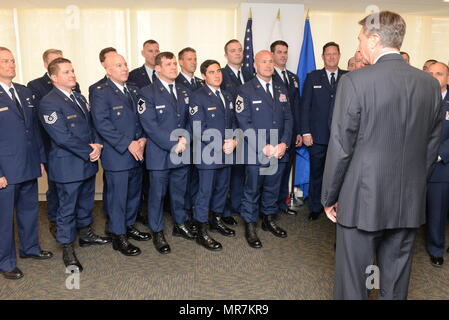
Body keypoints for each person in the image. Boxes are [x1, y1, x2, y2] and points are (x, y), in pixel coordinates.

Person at [322, 11, 442, 300]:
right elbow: (431, 145)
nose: (360, 44)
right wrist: (414, 185)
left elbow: (341, 146)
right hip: (407, 201)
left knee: (355, 284)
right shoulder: (429, 84)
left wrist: (329, 196)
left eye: (361, 38)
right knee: (394, 284)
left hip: (362, 200)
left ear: (374, 39)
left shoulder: (354, 81)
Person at [39, 58, 111, 272]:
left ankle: (86, 234)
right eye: (66, 72)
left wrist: (97, 144)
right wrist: (89, 150)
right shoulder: (49, 102)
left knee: (85, 203)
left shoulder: (79, 97)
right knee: (67, 209)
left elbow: (92, 125)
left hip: (87, 163)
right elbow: (61, 136)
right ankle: (68, 247)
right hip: (67, 166)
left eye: (72, 70)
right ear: (54, 78)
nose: (72, 75)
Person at [90, 53, 151, 257]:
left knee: (133, 194)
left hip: (137, 151)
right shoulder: (100, 92)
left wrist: (142, 139)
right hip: (118, 155)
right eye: (118, 65)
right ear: (107, 70)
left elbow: (142, 119)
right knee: (118, 197)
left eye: (125, 64)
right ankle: (118, 235)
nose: (124, 68)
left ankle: (128, 225)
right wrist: (128, 144)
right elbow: (102, 123)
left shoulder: (133, 89)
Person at [0, 47, 53, 280]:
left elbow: (35, 129)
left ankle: (30, 248)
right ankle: (5, 261)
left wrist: (40, 158)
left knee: (29, 210)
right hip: (6, 170)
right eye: (5, 61)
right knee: (4, 220)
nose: (11, 64)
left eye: (12, 60)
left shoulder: (24, 91)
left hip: (29, 164)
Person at [138, 52, 196, 254]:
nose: (173, 67)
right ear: (158, 68)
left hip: (182, 150)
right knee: (157, 195)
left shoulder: (183, 91)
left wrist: (185, 138)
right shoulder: (147, 93)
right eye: (168, 64)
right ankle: (157, 231)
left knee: (179, 193)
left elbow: (191, 120)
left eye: (174, 63)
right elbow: (150, 126)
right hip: (160, 153)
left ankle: (180, 225)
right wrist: (174, 143)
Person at [235, 50, 293, 249]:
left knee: (272, 187)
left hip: (278, 150)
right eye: (264, 62)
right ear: (255, 65)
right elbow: (244, 122)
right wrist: (263, 146)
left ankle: (268, 220)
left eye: (271, 61)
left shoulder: (280, 87)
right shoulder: (245, 90)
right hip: (256, 151)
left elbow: (288, 118)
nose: (269, 65)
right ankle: (250, 226)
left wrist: (284, 143)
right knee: (252, 190)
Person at [27, 49, 81, 238]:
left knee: (77, 193)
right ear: (49, 69)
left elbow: (83, 119)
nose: (71, 74)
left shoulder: (75, 89)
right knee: (58, 190)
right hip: (52, 144)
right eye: (56, 62)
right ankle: (56, 224)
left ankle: (79, 229)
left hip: (78, 148)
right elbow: (38, 121)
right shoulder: (36, 87)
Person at [189, 59, 238, 251]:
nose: (217, 75)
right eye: (211, 72)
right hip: (207, 154)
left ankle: (216, 220)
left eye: (218, 71)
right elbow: (197, 127)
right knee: (205, 193)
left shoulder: (226, 95)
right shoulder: (197, 97)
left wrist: (233, 141)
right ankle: (202, 232)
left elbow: (233, 123)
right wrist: (219, 144)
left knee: (221, 189)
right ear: (203, 76)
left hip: (227, 151)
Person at [300, 42, 348, 221]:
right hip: (317, 137)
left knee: (340, 175)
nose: (331, 57)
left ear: (339, 55)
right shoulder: (313, 77)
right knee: (317, 173)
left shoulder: (348, 77)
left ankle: (338, 206)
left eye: (334, 54)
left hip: (341, 138)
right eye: (328, 54)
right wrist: (305, 132)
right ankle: (315, 206)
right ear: (322, 56)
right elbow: (305, 106)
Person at [221, 39, 254, 226]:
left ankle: (237, 205)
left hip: (246, 130)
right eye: (233, 51)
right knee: (226, 173)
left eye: (240, 50)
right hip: (229, 131)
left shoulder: (249, 74)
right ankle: (225, 211)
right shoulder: (221, 74)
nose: (238, 53)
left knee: (241, 171)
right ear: (226, 55)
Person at [270, 40, 303, 216]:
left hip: (290, 133)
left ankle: (281, 204)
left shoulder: (293, 78)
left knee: (285, 171)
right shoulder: (268, 76)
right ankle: (269, 208)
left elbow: (297, 106)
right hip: (275, 134)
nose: (283, 55)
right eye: (279, 52)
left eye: (285, 52)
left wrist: (298, 131)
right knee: (272, 173)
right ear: (272, 54)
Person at [88, 46, 117, 234]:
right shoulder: (97, 88)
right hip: (113, 148)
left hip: (135, 149)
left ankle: (124, 224)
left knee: (128, 193)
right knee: (114, 191)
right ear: (104, 65)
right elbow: (100, 122)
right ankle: (113, 225)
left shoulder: (129, 87)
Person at [425, 61, 449, 267]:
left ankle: (436, 248)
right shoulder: (417, 97)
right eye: (430, 73)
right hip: (413, 165)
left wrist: (439, 154)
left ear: (447, 78)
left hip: (440, 166)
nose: (434, 77)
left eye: (439, 73)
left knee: (437, 212)